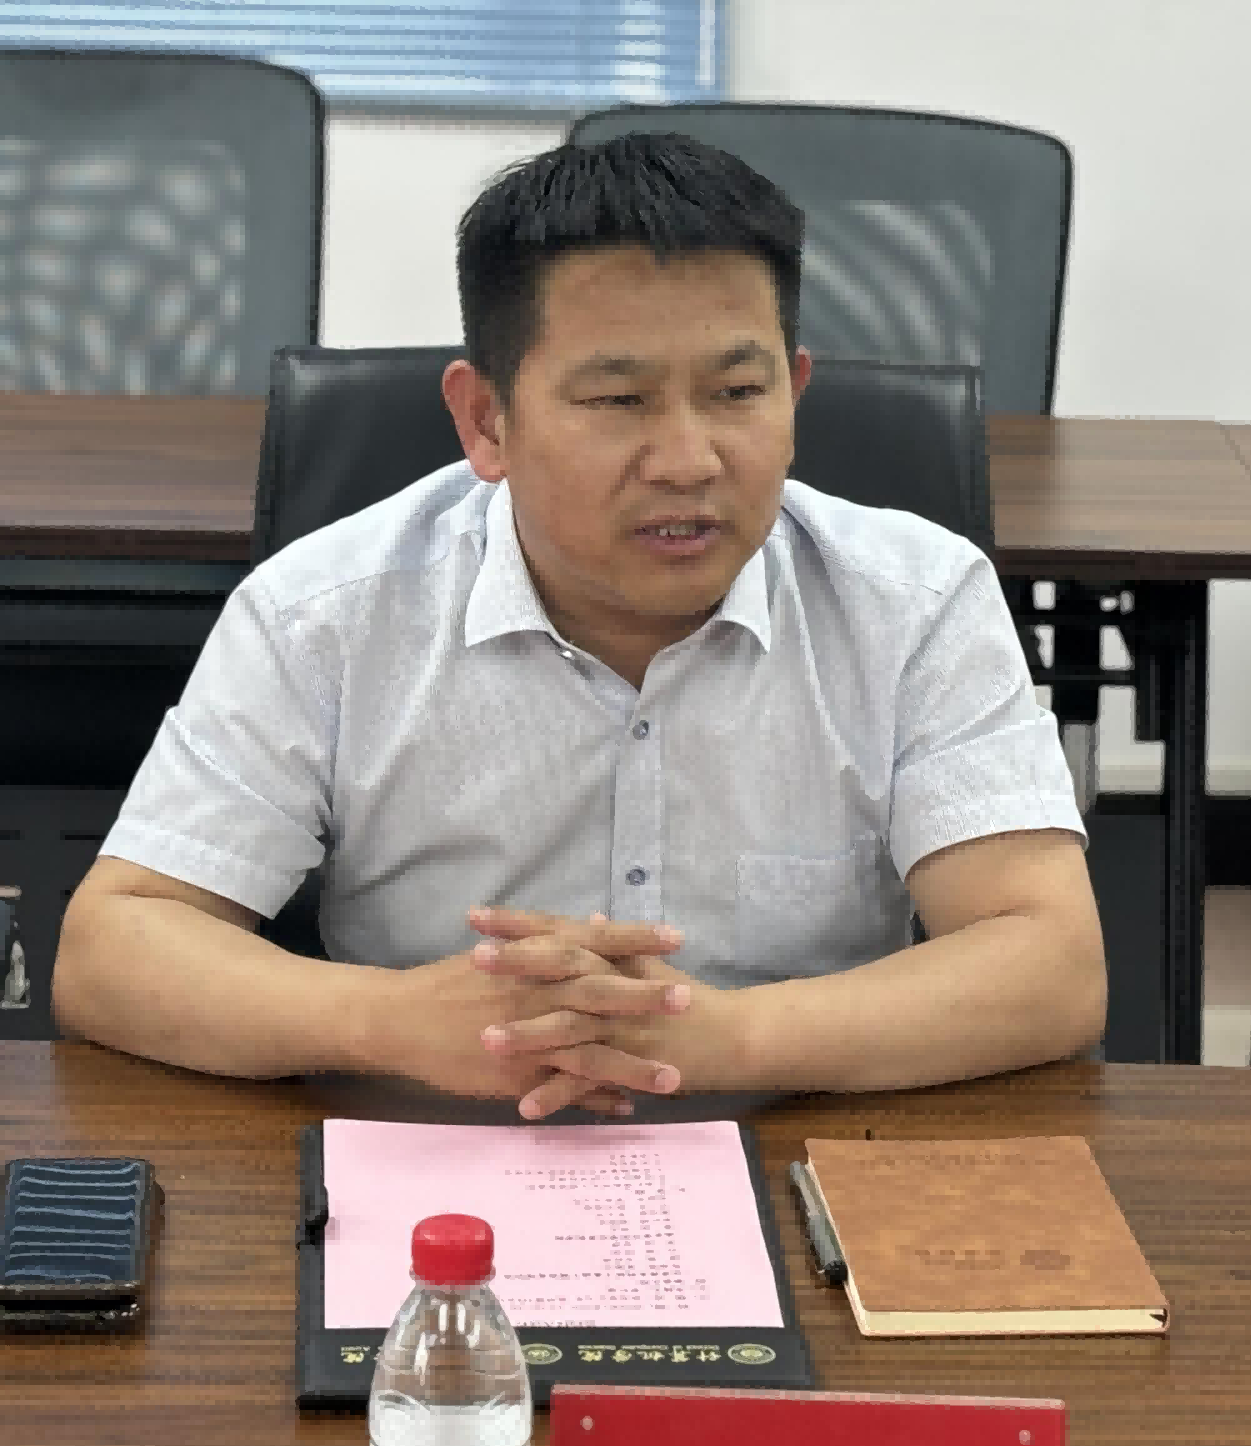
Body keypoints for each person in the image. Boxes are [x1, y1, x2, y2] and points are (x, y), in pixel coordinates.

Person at [53, 133, 1105, 1121]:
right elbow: (114, 950)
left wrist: (724, 1037)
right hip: (433, 1163)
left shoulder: (914, 601)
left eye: (737, 391)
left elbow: (1049, 964)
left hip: (803, 1152)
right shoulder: (324, 613)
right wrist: (390, 1019)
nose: (688, 460)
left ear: (793, 391)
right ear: (485, 421)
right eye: (617, 402)